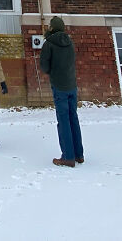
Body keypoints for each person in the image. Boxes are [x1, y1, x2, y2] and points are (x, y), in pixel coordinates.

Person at [39, 16, 84, 167]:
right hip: (72, 85)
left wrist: (52, 71)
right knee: (73, 118)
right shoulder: (70, 42)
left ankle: (68, 157)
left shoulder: (49, 44)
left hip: (59, 86)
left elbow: (44, 66)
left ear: (52, 27)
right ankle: (78, 154)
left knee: (63, 120)